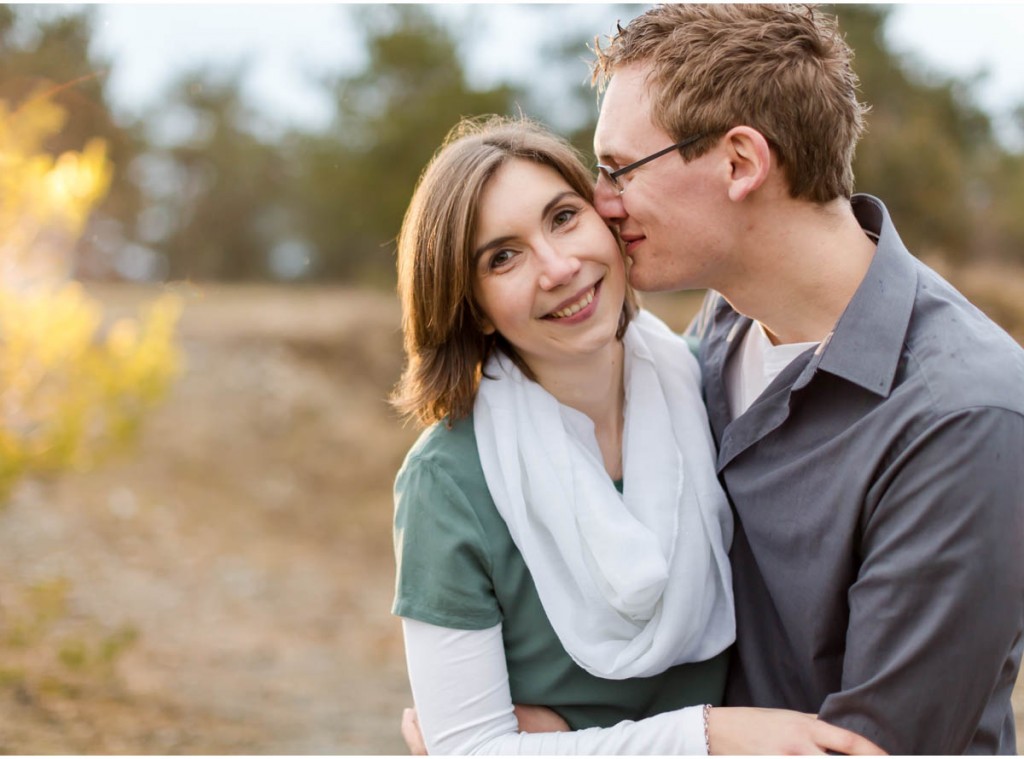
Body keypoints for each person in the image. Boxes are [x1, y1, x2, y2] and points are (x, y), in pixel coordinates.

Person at [586, 3, 1024, 755]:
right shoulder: (716, 333)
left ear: (740, 163)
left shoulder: (966, 415)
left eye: (620, 168)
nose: (600, 202)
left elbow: (870, 747)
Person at [390, 115, 885, 755]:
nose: (558, 267)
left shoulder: (703, 380)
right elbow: (471, 750)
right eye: (503, 257)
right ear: (474, 305)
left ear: (607, 217)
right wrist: (708, 737)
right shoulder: (448, 479)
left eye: (564, 217)